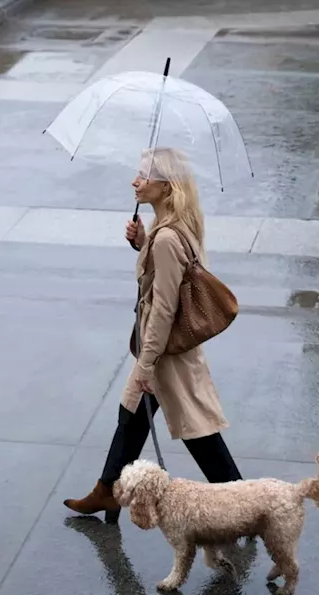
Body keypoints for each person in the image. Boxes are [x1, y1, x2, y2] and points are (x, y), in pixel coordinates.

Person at [64, 147, 242, 524]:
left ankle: (241, 503)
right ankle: (108, 490)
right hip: (160, 348)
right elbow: (169, 278)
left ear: (165, 186)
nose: (135, 181)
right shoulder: (173, 229)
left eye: (144, 175)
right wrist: (141, 242)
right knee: (131, 414)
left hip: (165, 352)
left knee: (199, 433)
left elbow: (164, 306)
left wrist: (146, 362)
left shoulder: (167, 238)